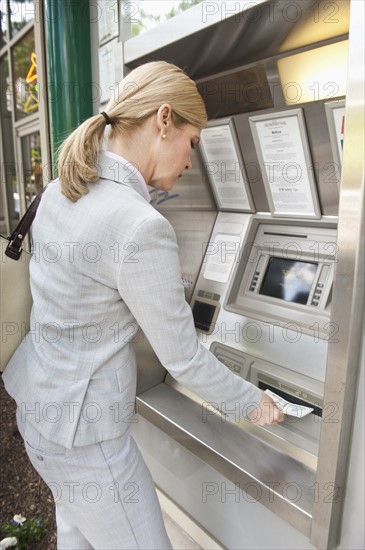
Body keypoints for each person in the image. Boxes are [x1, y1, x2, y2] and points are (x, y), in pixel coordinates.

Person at [2, 61, 284, 550]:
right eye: (192, 143)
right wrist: (255, 402)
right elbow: (183, 359)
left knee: (77, 536)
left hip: (41, 414)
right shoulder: (139, 224)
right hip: (87, 438)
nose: (190, 162)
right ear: (164, 119)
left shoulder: (61, 190)